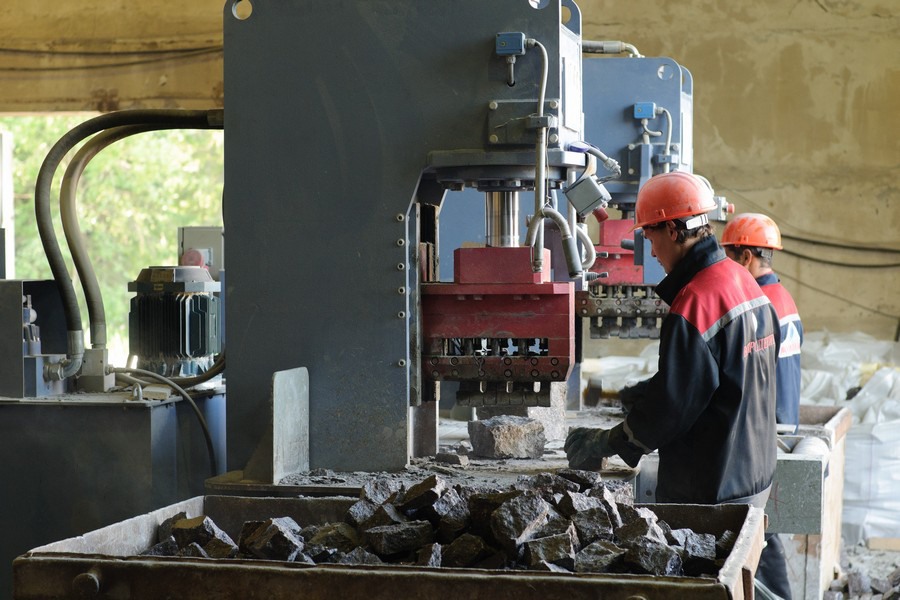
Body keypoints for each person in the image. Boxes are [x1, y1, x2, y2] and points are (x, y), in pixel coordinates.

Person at [565, 171, 780, 512]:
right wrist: (652, 390)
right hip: (755, 476)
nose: (650, 253)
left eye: (650, 239)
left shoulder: (696, 302)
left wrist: (610, 441)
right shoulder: (744, 282)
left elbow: (673, 408)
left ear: (674, 230)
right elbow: (726, 373)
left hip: (710, 491)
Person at [723, 213, 803, 600]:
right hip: (783, 425)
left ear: (745, 257)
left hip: (766, 436)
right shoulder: (783, 298)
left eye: (726, 257)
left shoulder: (757, 304)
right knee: (764, 540)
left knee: (760, 542)